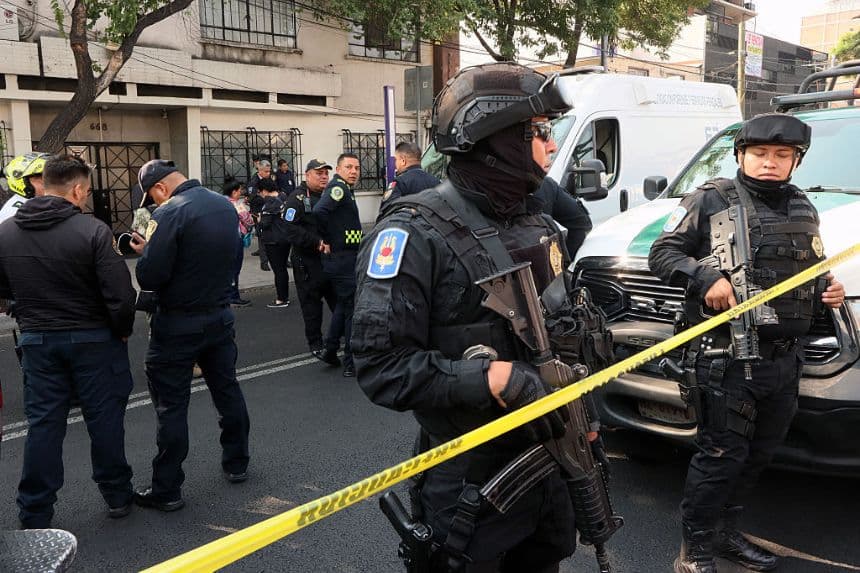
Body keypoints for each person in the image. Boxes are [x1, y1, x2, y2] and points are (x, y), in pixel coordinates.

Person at [352, 63, 583, 572]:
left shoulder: (542, 225)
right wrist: (489, 377)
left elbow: (567, 330)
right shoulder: (411, 234)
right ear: (494, 138)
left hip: (549, 462)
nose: (550, 145)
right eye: (540, 131)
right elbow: (380, 366)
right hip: (468, 482)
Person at [648, 113, 846, 573]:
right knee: (720, 456)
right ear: (741, 155)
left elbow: (808, 273)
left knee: (756, 457)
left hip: (782, 363)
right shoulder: (711, 198)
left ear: (796, 161)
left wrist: (826, 290)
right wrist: (706, 276)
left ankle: (725, 536)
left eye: (782, 155)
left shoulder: (803, 207)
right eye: (759, 154)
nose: (770, 163)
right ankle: (694, 552)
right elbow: (663, 253)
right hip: (726, 360)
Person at [0, 155, 136, 528]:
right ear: (76, 190)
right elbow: (121, 295)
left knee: (44, 425)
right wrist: (121, 328)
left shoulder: (7, 231)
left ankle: (35, 511)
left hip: (38, 340)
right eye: (87, 190)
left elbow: (3, 288)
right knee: (104, 419)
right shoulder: (92, 231)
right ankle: (117, 495)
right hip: (94, 340)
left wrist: (25, 307)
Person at [130, 159, 251, 511]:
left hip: (178, 323)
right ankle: (237, 462)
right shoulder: (223, 205)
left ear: (160, 189)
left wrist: (145, 251)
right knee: (227, 389)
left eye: (152, 196)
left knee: (171, 406)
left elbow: (150, 276)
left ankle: (167, 489)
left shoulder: (168, 213)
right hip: (219, 316)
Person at [313, 153, 362, 377]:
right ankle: (351, 363)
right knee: (352, 309)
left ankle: (331, 350)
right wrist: (327, 239)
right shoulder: (339, 188)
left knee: (344, 305)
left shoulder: (345, 189)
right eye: (349, 167)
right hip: (342, 259)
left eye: (357, 168)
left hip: (346, 257)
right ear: (339, 169)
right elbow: (319, 212)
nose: (354, 171)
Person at [283, 159, 338, 360]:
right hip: (308, 262)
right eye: (319, 173)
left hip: (331, 261)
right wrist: (316, 242)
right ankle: (316, 343)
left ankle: (341, 336)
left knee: (340, 301)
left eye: (326, 173)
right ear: (307, 175)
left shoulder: (331, 195)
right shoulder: (296, 199)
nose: (324, 176)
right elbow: (289, 229)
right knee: (312, 305)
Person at [257, 177, 291, 308]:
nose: (260, 195)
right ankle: (284, 295)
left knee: (278, 270)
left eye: (260, 192)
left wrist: (259, 219)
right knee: (282, 268)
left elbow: (265, 224)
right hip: (285, 238)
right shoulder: (283, 197)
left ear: (264, 191)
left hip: (273, 240)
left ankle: (281, 299)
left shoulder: (269, 203)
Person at [378, 141, 440, 212]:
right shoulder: (436, 181)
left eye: (396, 160)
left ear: (403, 161)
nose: (395, 163)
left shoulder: (399, 183)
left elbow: (386, 209)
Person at [223, 177, 252, 307]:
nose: (241, 193)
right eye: (239, 190)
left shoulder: (220, 202)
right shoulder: (237, 204)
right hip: (235, 239)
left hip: (224, 239)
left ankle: (225, 294)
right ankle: (233, 296)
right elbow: (249, 220)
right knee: (235, 269)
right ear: (234, 192)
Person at [0, 153, 49, 223]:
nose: (52, 183)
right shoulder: (15, 214)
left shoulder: (40, 202)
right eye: (43, 178)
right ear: (23, 183)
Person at [248, 159, 274, 271]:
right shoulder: (254, 181)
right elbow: (252, 198)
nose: (268, 174)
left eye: (269, 171)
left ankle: (282, 260)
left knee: (274, 235)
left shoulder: (269, 180)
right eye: (266, 172)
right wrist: (266, 198)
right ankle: (264, 262)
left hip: (270, 211)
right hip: (258, 212)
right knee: (262, 237)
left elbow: (276, 191)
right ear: (260, 170)